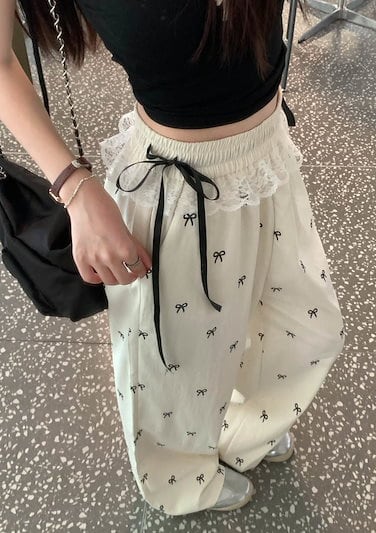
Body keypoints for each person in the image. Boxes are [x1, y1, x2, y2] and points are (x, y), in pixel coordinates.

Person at [0, 0, 346, 516]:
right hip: (176, 182)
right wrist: (75, 189)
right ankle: (180, 479)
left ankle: (246, 426)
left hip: (269, 155)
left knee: (304, 330)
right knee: (172, 367)